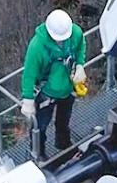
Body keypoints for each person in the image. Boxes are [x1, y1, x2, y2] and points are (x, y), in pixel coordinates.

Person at [20, 9, 88, 158]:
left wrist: (80, 65)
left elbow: (80, 47)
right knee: (40, 126)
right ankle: (38, 153)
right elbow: (29, 74)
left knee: (63, 121)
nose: (61, 41)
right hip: (46, 93)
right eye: (58, 38)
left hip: (67, 89)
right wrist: (28, 99)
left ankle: (63, 144)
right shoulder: (37, 46)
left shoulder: (74, 33)